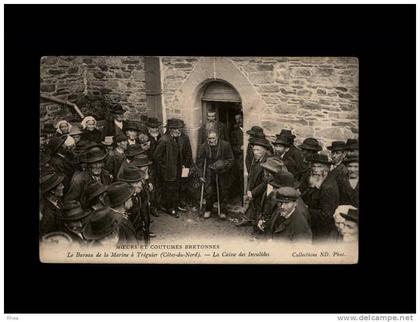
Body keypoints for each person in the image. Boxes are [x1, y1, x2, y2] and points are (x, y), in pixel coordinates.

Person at [301, 154, 339, 242]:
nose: (315, 170)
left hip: (323, 233)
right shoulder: (319, 181)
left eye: (319, 166)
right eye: (314, 166)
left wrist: (306, 209)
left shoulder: (328, 187)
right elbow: (310, 192)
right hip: (315, 228)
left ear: (327, 169)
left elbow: (326, 216)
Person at [197, 130, 234, 219]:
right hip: (209, 172)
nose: (211, 140)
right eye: (209, 138)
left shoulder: (225, 145)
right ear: (207, 138)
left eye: (213, 138)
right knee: (209, 191)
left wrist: (222, 165)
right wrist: (201, 175)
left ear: (217, 137)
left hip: (222, 172)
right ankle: (208, 209)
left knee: (223, 192)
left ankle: (223, 211)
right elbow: (200, 162)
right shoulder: (204, 147)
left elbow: (231, 160)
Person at [153, 118, 184, 218]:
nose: (179, 131)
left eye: (180, 129)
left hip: (175, 170)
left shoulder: (175, 138)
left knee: (174, 189)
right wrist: (164, 169)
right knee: (169, 190)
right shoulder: (164, 140)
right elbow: (156, 157)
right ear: (170, 129)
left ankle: (173, 206)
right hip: (168, 172)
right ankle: (170, 208)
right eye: (177, 129)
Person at [241, 137, 272, 228]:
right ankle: (252, 220)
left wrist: (253, 192)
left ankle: (259, 227)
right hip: (255, 189)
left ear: (264, 150)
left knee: (261, 209)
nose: (255, 152)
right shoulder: (256, 159)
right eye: (254, 150)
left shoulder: (267, 162)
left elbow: (265, 182)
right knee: (254, 207)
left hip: (262, 191)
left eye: (258, 150)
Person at [117, 163, 153, 242]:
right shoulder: (126, 203)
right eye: (136, 183)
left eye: (140, 181)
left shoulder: (137, 195)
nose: (140, 185)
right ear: (128, 185)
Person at [40, 172, 65, 236]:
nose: (63, 187)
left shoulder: (57, 201)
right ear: (52, 191)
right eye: (60, 185)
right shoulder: (48, 214)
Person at [178, 119, 193, 210]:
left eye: (180, 127)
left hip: (184, 166)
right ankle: (177, 201)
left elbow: (188, 153)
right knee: (176, 183)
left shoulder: (185, 138)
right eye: (177, 127)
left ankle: (183, 200)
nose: (179, 129)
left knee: (184, 182)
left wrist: (186, 165)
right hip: (176, 166)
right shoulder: (171, 137)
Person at [229, 113, 244, 199]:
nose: (239, 121)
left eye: (240, 118)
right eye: (237, 119)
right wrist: (240, 148)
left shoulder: (249, 131)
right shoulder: (234, 133)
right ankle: (242, 197)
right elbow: (232, 148)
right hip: (239, 160)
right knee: (240, 179)